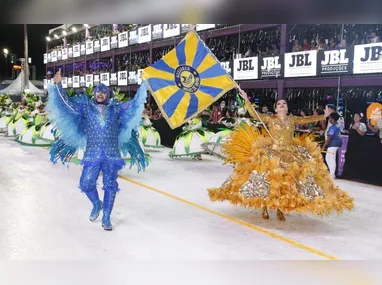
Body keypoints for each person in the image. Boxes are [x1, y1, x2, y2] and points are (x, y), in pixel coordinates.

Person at [208, 89, 354, 221]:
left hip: (291, 154)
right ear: (276, 108)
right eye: (279, 104)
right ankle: (265, 207)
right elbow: (254, 114)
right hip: (273, 153)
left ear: (287, 107)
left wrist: (324, 116)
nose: (282, 105)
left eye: (284, 103)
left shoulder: (292, 119)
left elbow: (307, 119)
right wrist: (247, 100)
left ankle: (280, 208)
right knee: (267, 182)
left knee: (285, 183)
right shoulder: (270, 119)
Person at [47, 70, 148, 231]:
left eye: (103, 92)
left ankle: (106, 217)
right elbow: (66, 103)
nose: (100, 94)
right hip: (92, 154)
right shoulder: (85, 109)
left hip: (111, 155)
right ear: (93, 94)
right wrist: (58, 84)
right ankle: (97, 204)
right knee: (85, 183)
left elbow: (135, 103)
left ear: (107, 94)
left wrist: (143, 84)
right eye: (97, 92)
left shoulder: (117, 109)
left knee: (110, 185)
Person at [322, 113, 342, 179]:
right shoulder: (337, 125)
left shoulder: (333, 127)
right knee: (328, 158)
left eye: (330, 118)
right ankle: (331, 173)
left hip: (333, 144)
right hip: (335, 143)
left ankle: (332, 174)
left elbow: (329, 137)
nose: (329, 119)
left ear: (332, 118)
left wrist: (324, 146)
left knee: (331, 158)